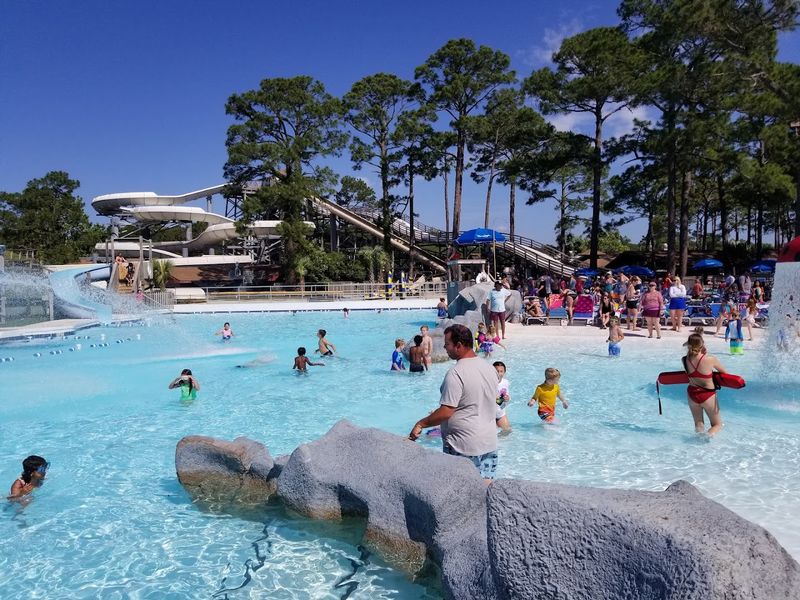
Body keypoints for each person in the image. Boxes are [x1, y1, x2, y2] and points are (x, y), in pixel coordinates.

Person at [408, 324, 499, 482]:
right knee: (485, 491)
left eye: (447, 344)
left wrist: (421, 424)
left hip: (463, 446)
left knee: (460, 493)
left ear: (458, 345)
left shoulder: (456, 374)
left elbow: (446, 412)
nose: (445, 348)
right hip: (489, 442)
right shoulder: (489, 368)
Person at [682, 333, 727, 436]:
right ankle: (707, 438)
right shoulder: (710, 359)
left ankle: (698, 444)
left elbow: (690, 351)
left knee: (698, 424)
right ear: (702, 345)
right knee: (717, 424)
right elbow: (724, 373)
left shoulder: (684, 359)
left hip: (692, 394)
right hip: (707, 394)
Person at [493, 361, 512, 434]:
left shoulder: (506, 382)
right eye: (497, 371)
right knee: (492, 435)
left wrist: (507, 398)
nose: (499, 373)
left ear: (504, 372)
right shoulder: (488, 383)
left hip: (500, 414)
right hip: (489, 415)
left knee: (507, 432)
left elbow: (506, 395)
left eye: (501, 371)